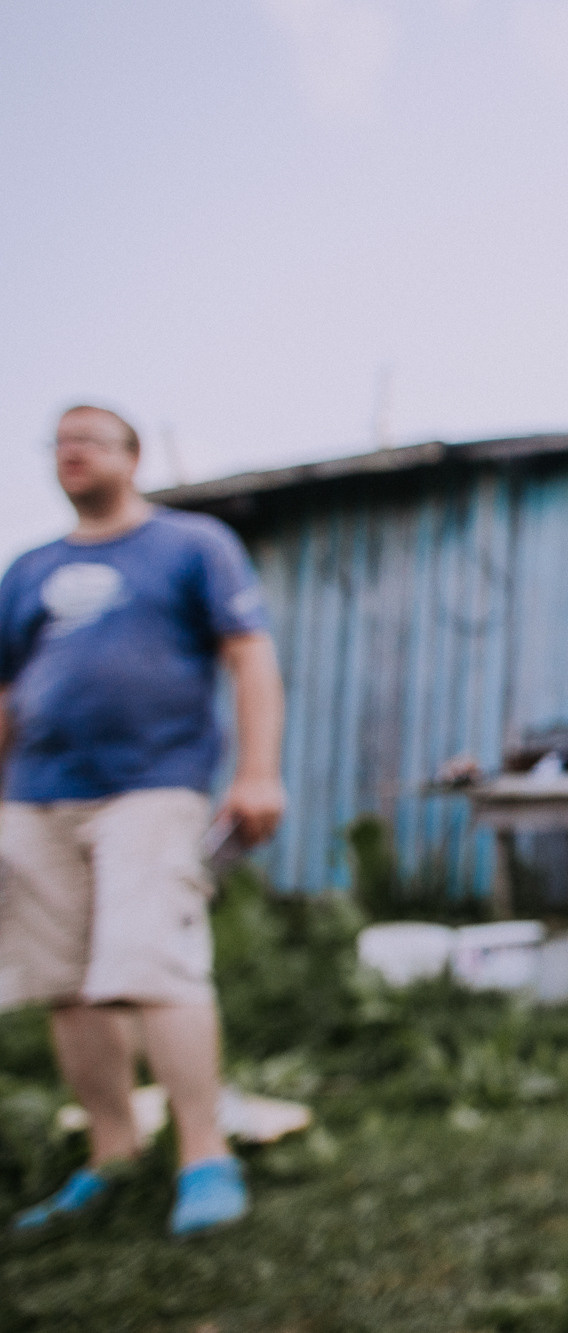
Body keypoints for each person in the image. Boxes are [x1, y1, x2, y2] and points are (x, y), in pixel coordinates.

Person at [0, 405, 286, 1238]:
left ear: (132, 456)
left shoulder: (191, 545)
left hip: (153, 786)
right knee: (64, 980)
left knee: (155, 963)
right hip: (35, 796)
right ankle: (112, 1154)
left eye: (89, 438)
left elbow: (249, 653)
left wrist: (258, 771)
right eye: (58, 442)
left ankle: (204, 1155)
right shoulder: (27, 568)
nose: (70, 451)